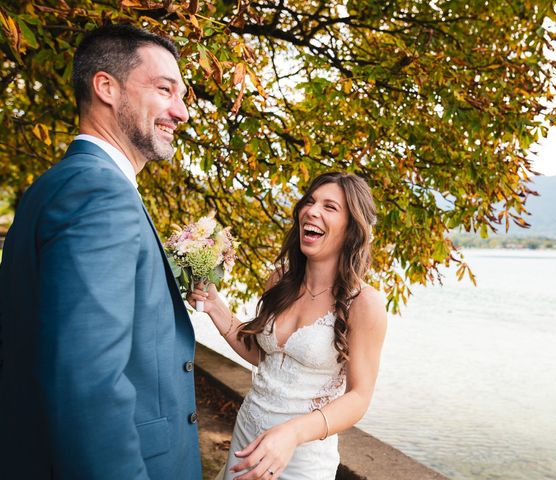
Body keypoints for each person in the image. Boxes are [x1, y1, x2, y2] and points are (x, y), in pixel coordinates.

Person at [0, 25, 201, 479]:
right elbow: (86, 383)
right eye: (165, 89)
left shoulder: (58, 184)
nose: (182, 112)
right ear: (106, 87)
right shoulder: (99, 192)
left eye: (182, 95)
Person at [189, 172, 388, 480]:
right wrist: (215, 306)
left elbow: (359, 397)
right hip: (246, 439)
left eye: (330, 207)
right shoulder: (280, 279)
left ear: (351, 228)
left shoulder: (365, 303)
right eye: (309, 202)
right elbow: (261, 354)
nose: (312, 210)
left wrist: (292, 433)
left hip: (301, 459)